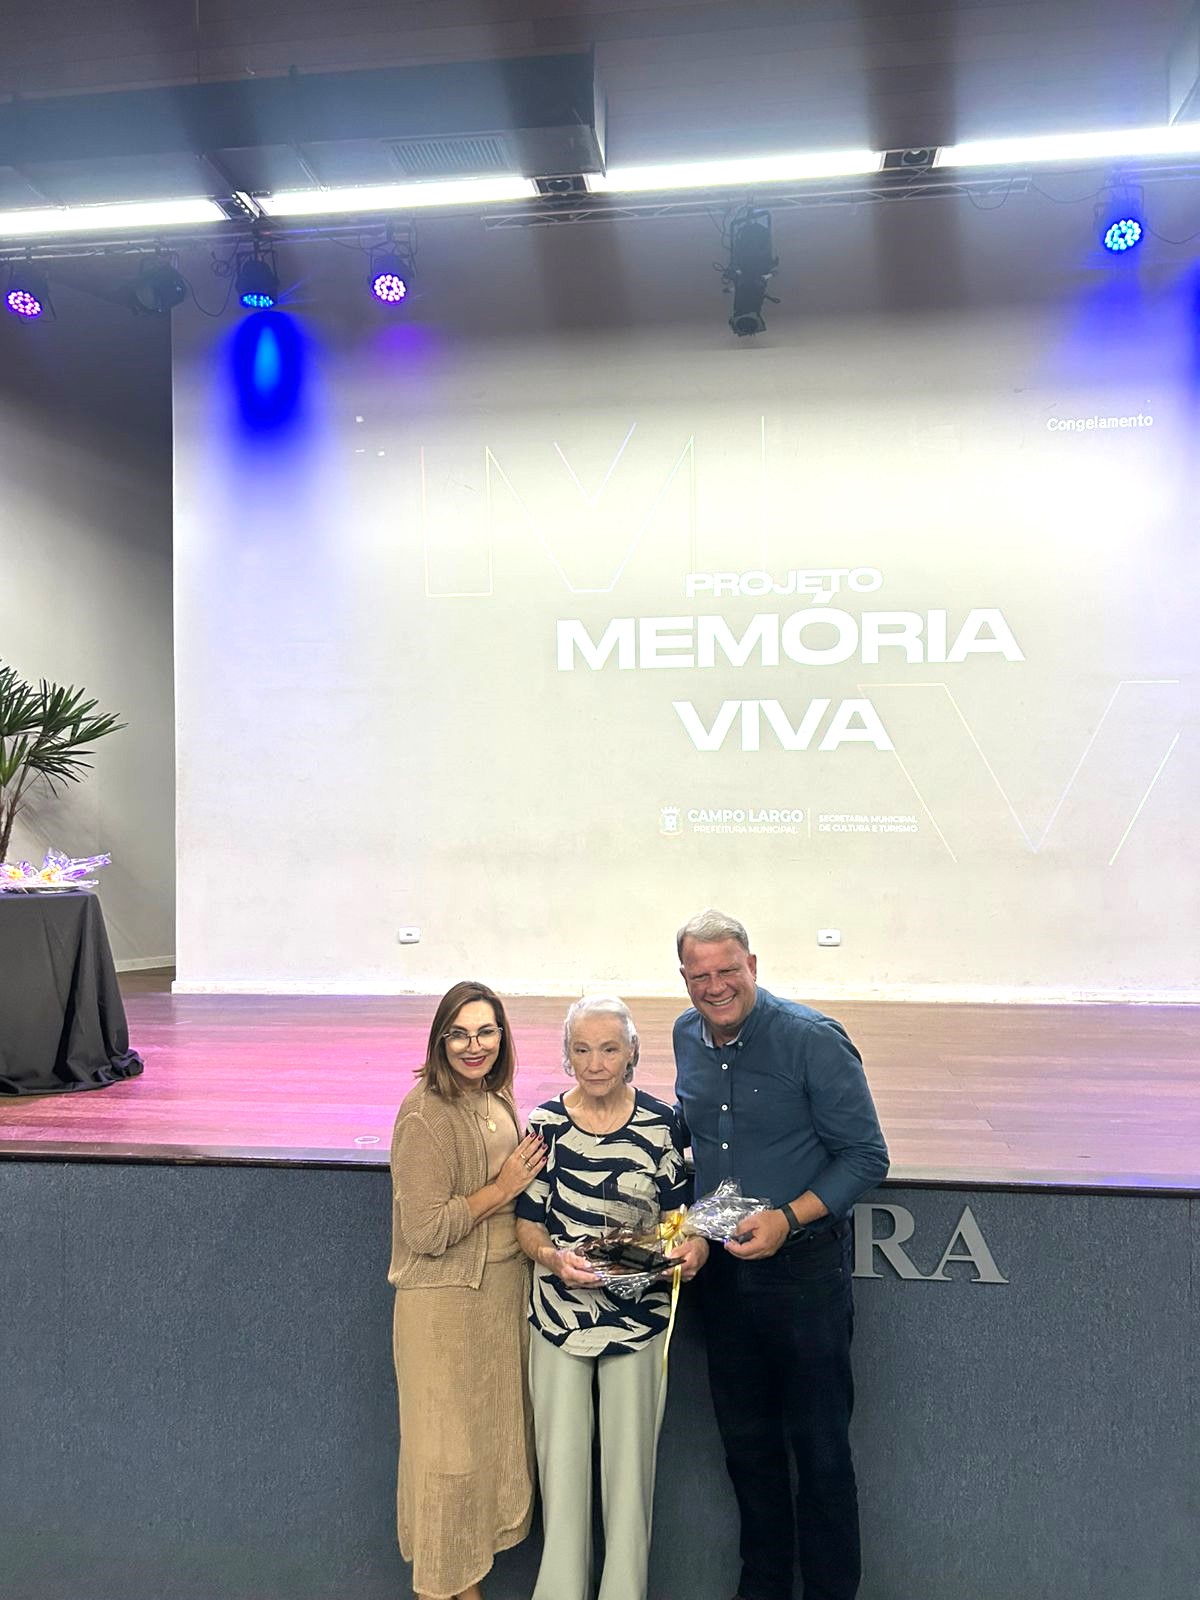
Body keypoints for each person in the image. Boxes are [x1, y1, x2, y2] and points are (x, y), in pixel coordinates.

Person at [672, 910, 889, 1600]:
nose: (715, 986)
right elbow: (702, 1148)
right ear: (684, 978)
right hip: (722, 1282)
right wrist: (693, 1228)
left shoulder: (812, 1040)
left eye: (727, 970)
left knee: (821, 1456)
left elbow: (866, 1156)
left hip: (803, 1275)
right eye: (700, 975)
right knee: (748, 1453)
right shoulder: (684, 1037)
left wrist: (787, 1218)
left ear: (753, 967)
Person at [515, 995, 707, 1600]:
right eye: (582, 1049)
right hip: (558, 1319)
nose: (595, 1063)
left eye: (608, 1049)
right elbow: (527, 1224)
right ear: (566, 1056)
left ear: (632, 1054)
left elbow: (679, 1219)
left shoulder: (662, 1123)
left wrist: (691, 1248)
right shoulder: (544, 1123)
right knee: (561, 1478)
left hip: (638, 1319)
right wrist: (552, 1258)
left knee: (630, 1482)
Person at [388, 980, 548, 1600]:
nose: (473, 1046)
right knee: (447, 1474)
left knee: (480, 1469)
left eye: (485, 1032)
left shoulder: (496, 1097)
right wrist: (502, 1188)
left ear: (502, 1036)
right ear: (439, 1040)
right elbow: (426, 1231)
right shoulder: (424, 1115)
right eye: (458, 1034)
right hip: (442, 1310)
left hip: (498, 1303)